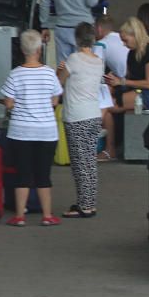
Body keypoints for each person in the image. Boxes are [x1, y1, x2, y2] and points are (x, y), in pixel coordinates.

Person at [1, 30, 63, 227]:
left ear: (22, 49)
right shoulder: (49, 73)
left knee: (23, 175)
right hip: (46, 131)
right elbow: (55, 99)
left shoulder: (15, 74)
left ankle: (19, 216)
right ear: (39, 49)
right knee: (43, 175)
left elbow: (9, 103)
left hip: (21, 131)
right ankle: (47, 215)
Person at [56, 22, 104, 219]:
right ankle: (88, 202)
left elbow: (58, 81)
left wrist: (59, 68)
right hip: (93, 114)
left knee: (79, 163)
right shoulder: (98, 61)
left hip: (77, 116)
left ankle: (84, 205)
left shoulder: (74, 59)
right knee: (89, 161)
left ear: (77, 39)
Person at [103, 16, 149, 114]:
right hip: (139, 91)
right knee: (107, 100)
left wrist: (122, 81)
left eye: (125, 40)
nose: (124, 44)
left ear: (135, 36)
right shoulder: (132, 53)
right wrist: (114, 79)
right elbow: (129, 77)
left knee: (110, 105)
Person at [94, 15, 129, 161]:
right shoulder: (120, 38)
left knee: (103, 104)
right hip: (129, 81)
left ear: (99, 29)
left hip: (127, 84)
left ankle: (109, 149)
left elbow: (93, 71)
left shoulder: (101, 44)